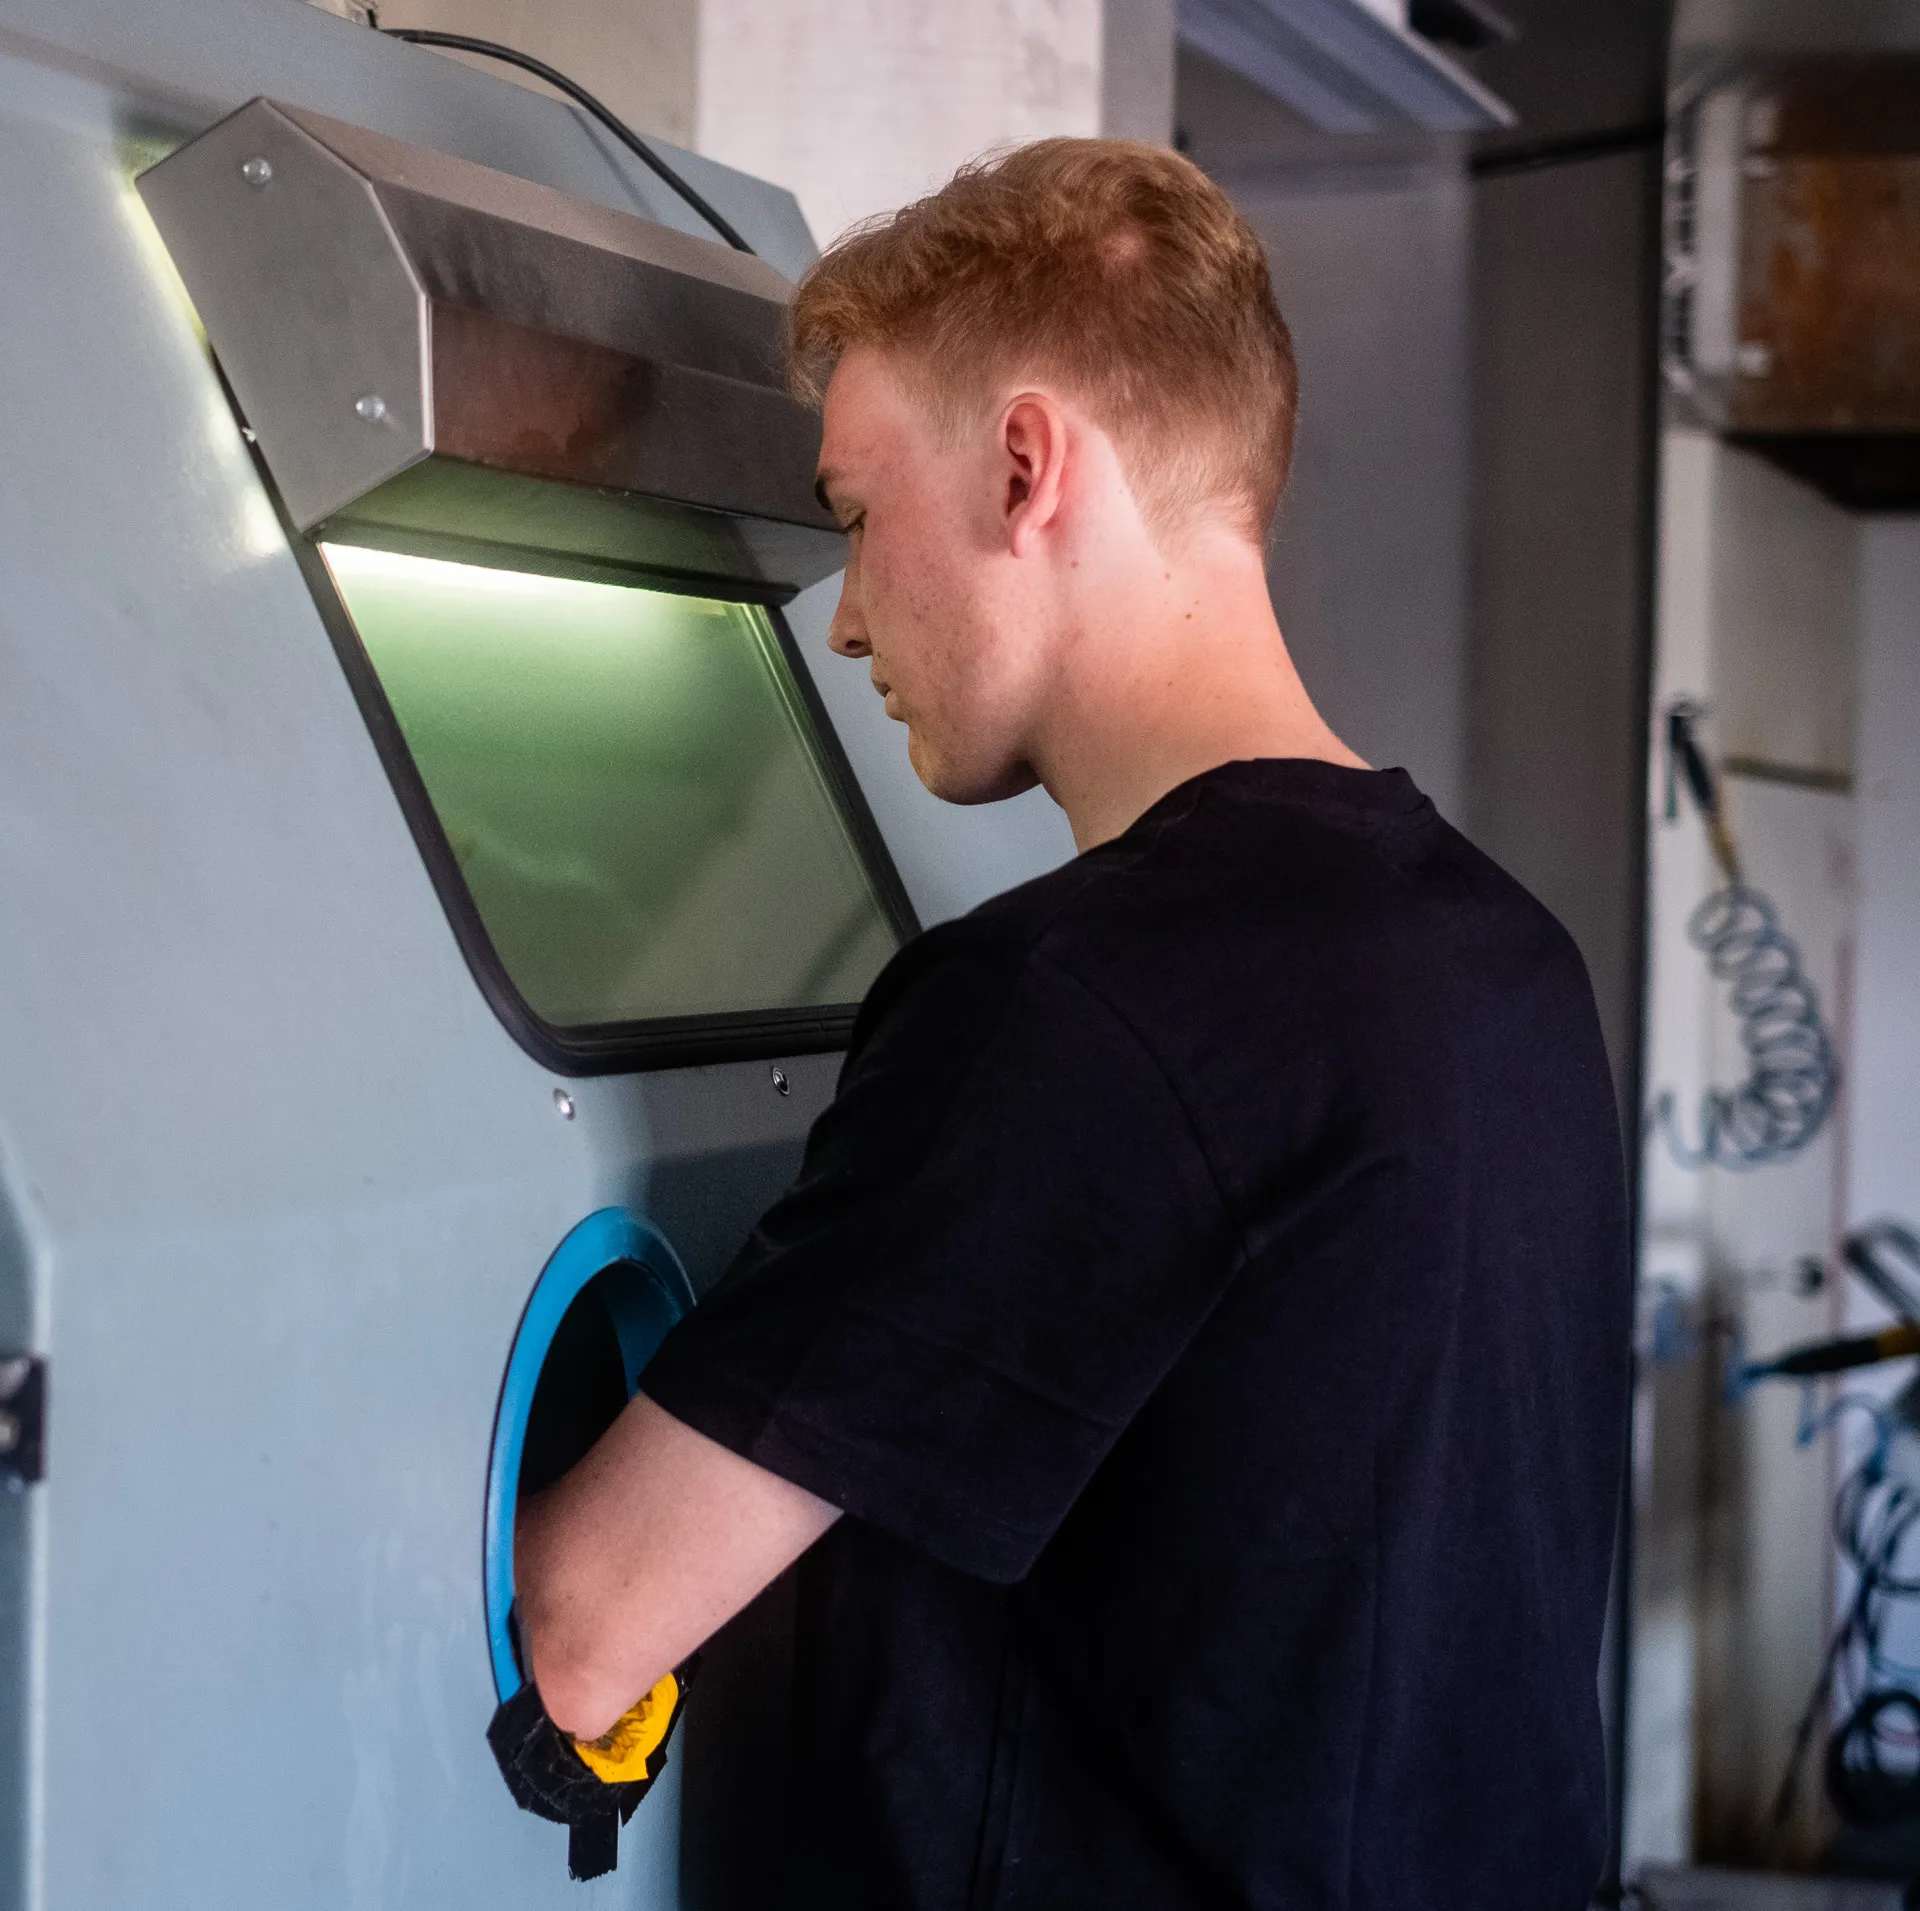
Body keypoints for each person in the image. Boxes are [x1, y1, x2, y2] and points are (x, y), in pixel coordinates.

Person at [514, 136, 1631, 1910]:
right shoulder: (1508, 964)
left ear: (1029, 465)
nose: (851, 615)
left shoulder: (1084, 1001)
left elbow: (581, 1629)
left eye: (859, 516)